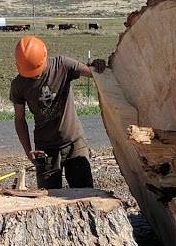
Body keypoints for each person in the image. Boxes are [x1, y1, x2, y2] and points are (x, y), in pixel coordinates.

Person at [10, 36, 106, 189]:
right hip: (45, 149)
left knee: (84, 192)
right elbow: (19, 120)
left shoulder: (62, 65)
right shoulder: (18, 85)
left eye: (37, 71)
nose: (35, 75)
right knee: (49, 197)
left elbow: (91, 72)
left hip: (74, 142)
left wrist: (97, 67)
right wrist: (28, 151)